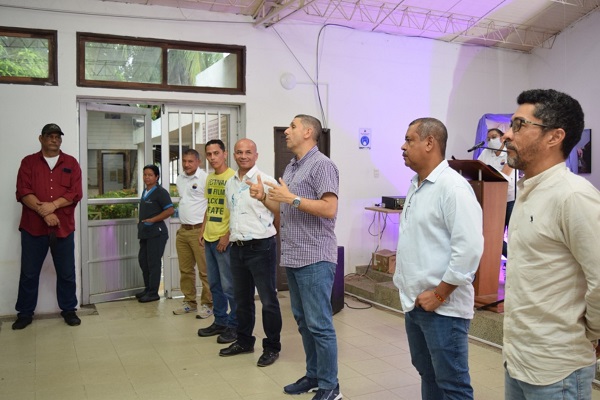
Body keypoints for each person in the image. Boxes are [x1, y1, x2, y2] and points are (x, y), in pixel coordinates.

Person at [502, 89, 600, 400]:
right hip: (518, 360)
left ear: (554, 137)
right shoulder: (528, 191)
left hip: (557, 370)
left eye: (519, 125)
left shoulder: (573, 196)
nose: (506, 135)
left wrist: (593, 334)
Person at [248, 115, 341, 400]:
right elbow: (285, 210)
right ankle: (314, 375)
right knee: (303, 322)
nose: (286, 132)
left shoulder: (323, 165)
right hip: (294, 255)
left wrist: (292, 199)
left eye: (292, 127)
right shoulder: (291, 167)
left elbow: (329, 209)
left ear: (308, 132)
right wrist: (264, 197)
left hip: (316, 256)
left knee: (320, 325)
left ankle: (330, 386)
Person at [393, 117, 484, 400]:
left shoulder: (452, 188)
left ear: (430, 142)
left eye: (409, 140)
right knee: (428, 375)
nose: (403, 146)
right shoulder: (416, 184)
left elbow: (468, 250)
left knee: (452, 385)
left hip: (442, 309)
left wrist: (441, 295)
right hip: (416, 302)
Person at [13, 123, 83, 330]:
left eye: (57, 136)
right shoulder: (28, 163)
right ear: (41, 139)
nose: (54, 139)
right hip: (33, 228)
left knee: (67, 272)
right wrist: (45, 213)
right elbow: (23, 191)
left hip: (63, 228)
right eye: (50, 136)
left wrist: (52, 206)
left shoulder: (71, 162)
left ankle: (69, 310)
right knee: (29, 273)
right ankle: (25, 313)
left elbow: (75, 193)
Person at [219, 138, 282, 367]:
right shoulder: (230, 183)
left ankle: (272, 347)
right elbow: (233, 215)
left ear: (256, 155)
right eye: (239, 152)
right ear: (234, 155)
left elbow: (279, 212)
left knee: (268, 301)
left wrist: (263, 196)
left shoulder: (266, 181)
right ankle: (245, 341)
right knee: (242, 300)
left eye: (248, 152)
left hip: (261, 247)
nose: (243, 156)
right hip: (238, 248)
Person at [197, 139, 238, 344]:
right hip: (210, 236)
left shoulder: (233, 178)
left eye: (216, 153)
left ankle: (235, 325)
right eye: (209, 154)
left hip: (225, 239)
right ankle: (220, 321)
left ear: (225, 154)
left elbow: (237, 210)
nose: (212, 157)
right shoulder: (210, 178)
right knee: (214, 284)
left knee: (229, 285)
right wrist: (203, 229)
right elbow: (210, 205)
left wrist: (227, 235)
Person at [172, 149, 213, 318]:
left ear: (198, 162)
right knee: (186, 270)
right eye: (184, 161)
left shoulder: (205, 178)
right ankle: (189, 302)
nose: (187, 164)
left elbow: (210, 206)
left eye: (190, 161)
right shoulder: (180, 178)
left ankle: (208, 304)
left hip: (199, 231)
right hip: (183, 231)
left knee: (205, 271)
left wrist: (203, 230)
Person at [136, 164, 174, 303]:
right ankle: (148, 288)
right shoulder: (145, 191)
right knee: (143, 261)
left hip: (156, 233)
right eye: (145, 174)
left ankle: (153, 293)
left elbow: (170, 210)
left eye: (150, 175)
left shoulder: (160, 192)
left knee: (153, 263)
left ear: (157, 177)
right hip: (145, 232)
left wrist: (153, 220)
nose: (147, 177)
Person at [477, 128, 516, 257]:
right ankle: (513, 259)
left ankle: (516, 260)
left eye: (494, 137)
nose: (490, 141)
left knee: (514, 237)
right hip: (492, 200)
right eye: (488, 139)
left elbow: (504, 176)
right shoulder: (485, 153)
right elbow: (477, 169)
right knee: (492, 237)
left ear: (502, 138)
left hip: (510, 199)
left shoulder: (510, 152)